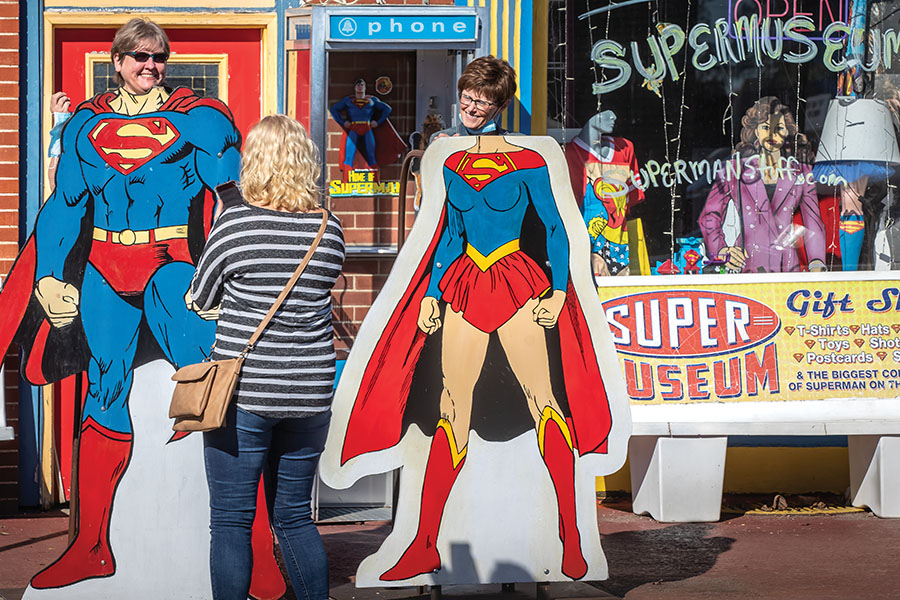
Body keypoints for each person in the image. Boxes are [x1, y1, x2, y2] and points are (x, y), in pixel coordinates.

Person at [338, 59, 615, 583]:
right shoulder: (446, 159)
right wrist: (434, 294)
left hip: (517, 279)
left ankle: (571, 534)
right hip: (465, 284)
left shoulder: (530, 160)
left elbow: (556, 229)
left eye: (481, 100)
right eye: (466, 96)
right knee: (451, 408)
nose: (470, 106)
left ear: (498, 104)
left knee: (545, 402)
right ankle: (423, 545)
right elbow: (445, 235)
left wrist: (558, 292)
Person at [0, 18, 246, 590]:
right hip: (105, 270)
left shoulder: (200, 116)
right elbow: (65, 204)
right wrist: (51, 274)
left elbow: (231, 197)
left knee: (211, 390)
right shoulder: (86, 121)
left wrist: (231, 272)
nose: (149, 65)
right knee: (103, 390)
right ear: (117, 61)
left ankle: (246, 539)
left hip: (173, 267)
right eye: (138, 56)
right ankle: (91, 547)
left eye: (158, 56)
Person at [190, 114, 345, 600]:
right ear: (305, 163)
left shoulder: (234, 222)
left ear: (253, 162)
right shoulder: (329, 227)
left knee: (233, 521)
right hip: (311, 391)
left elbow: (199, 297)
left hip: (244, 393)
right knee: (295, 518)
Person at [699, 96, 826, 273]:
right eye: (766, 127)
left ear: (787, 132)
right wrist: (722, 251)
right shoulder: (734, 169)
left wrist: (817, 263)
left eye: (779, 128)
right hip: (746, 262)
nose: (772, 135)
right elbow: (710, 216)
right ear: (756, 131)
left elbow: (813, 221)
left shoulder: (801, 172)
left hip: (786, 265)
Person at [432, 55, 516, 138]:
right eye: (467, 97)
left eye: (481, 102)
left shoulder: (517, 145)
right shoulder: (441, 139)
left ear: (502, 106)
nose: (470, 109)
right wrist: (440, 149)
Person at [328, 78, 392, 168]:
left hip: (367, 128)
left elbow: (387, 109)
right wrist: (342, 122)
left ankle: (374, 179)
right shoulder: (348, 100)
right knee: (349, 155)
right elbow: (333, 109)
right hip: (354, 128)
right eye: (358, 85)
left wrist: (378, 122)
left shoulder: (372, 100)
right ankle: (346, 179)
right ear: (354, 88)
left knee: (371, 155)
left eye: (362, 85)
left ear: (365, 87)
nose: (360, 87)